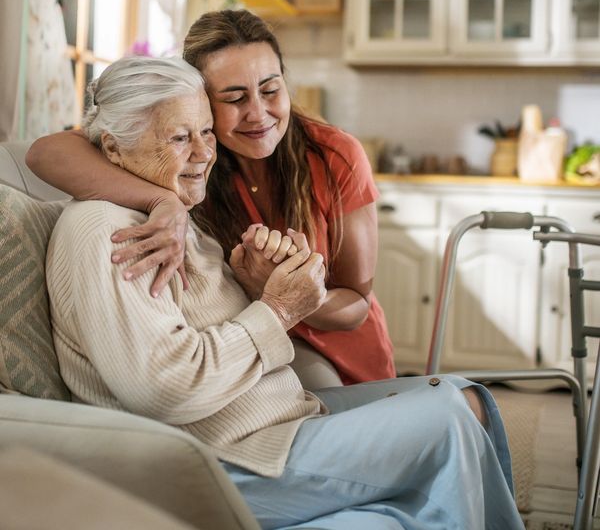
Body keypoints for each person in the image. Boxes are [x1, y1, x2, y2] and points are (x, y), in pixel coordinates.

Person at [45, 56, 524, 529]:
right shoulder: (108, 232)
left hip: (279, 423)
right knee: (447, 419)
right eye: (177, 137)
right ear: (112, 147)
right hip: (233, 458)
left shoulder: (167, 216)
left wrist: (263, 282)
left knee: (465, 396)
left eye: (206, 131)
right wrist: (276, 309)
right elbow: (166, 387)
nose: (204, 152)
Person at [27, 9, 395, 387]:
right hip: (252, 353)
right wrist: (163, 201)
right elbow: (45, 153)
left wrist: (292, 294)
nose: (258, 114)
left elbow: (357, 304)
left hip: (345, 355)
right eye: (234, 98)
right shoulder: (194, 163)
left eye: (271, 90)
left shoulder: (333, 156)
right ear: (201, 100)